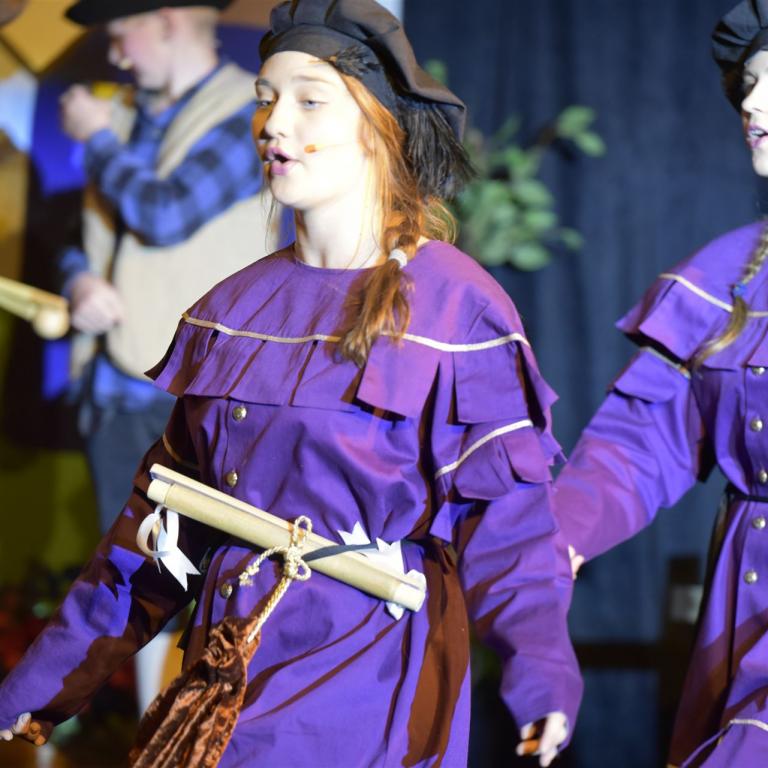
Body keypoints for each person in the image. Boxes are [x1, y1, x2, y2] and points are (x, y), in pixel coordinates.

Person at [0, 1, 582, 765]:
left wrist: (542, 675)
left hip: (369, 678)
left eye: (309, 100)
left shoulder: (457, 307)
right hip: (223, 680)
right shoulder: (232, 310)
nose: (273, 123)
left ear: (376, 126)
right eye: (265, 99)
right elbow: (152, 538)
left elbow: (509, 526)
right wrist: (33, 688)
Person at [553, 1, 768, 765]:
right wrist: (557, 538)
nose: (751, 103)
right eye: (749, 82)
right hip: (743, 609)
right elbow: (644, 438)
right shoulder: (729, 277)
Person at [56, 0, 280, 712]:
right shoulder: (122, 116)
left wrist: (96, 138)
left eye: (122, 33)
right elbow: (83, 236)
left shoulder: (248, 117)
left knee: (206, 582)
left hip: (201, 394)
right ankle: (147, 740)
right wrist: (78, 279)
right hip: (116, 387)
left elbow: (163, 212)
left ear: (168, 18)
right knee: (127, 582)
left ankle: (197, 739)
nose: (116, 54)